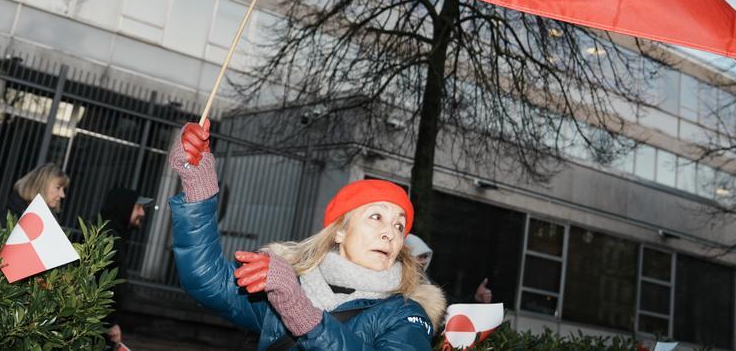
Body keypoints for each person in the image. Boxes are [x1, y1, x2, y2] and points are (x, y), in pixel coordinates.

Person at [170, 119, 446, 349]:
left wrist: (301, 312)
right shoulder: (288, 283)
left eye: (399, 226)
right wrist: (198, 184)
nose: (390, 233)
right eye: (376, 217)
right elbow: (207, 279)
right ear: (339, 231)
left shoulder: (407, 313)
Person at [98, 186, 153, 349]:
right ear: (123, 208)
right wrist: (109, 323)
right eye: (138, 207)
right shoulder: (108, 240)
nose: (142, 213)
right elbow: (101, 286)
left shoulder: (116, 237)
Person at [404, 233, 492, 303]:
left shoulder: (427, 282)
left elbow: (449, 304)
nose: (424, 261)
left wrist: (475, 298)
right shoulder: (397, 285)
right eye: (419, 256)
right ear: (407, 257)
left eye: (425, 256)